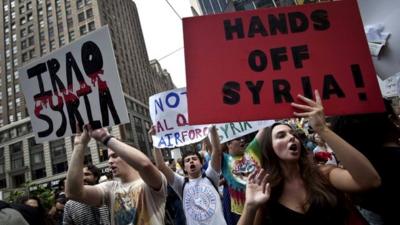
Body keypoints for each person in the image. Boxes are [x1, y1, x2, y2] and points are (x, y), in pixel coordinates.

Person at [238, 90, 381, 225]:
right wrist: (250, 207)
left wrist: (322, 129)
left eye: (293, 134)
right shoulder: (265, 192)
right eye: (281, 135)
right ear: (269, 149)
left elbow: (370, 180)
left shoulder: (323, 174)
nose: (291, 137)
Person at [66, 125, 167, 225]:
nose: (110, 161)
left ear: (128, 157)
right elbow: (73, 193)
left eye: (114, 156)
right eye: (109, 157)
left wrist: (105, 137)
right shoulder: (110, 188)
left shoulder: (149, 184)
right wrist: (79, 145)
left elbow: (145, 165)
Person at [152, 125, 227, 225]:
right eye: (187, 160)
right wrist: (155, 139)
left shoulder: (211, 176)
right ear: (184, 168)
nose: (191, 161)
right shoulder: (181, 183)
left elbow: (216, 151)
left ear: (201, 164)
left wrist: (212, 129)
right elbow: (161, 166)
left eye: (194, 159)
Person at [221, 128, 268, 223]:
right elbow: (214, 148)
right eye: (238, 139)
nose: (242, 140)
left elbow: (265, 126)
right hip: (240, 213)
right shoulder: (224, 160)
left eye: (243, 138)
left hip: (262, 206)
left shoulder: (252, 149)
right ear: (228, 144)